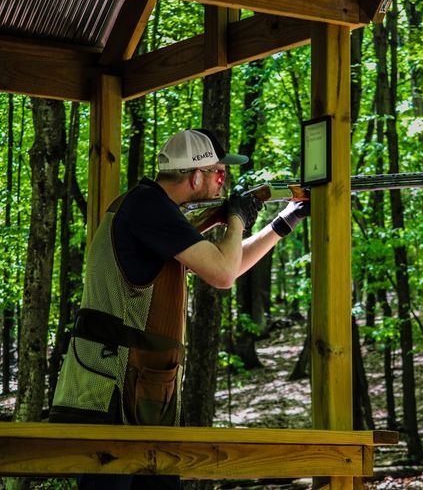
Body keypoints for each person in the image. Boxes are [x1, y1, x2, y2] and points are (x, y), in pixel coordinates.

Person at [49, 128, 308, 489]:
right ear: (196, 175)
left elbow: (224, 263)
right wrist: (234, 217)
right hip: (110, 392)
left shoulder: (156, 210)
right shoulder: (148, 208)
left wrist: (282, 224)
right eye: (219, 173)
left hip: (140, 392)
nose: (223, 181)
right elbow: (222, 274)